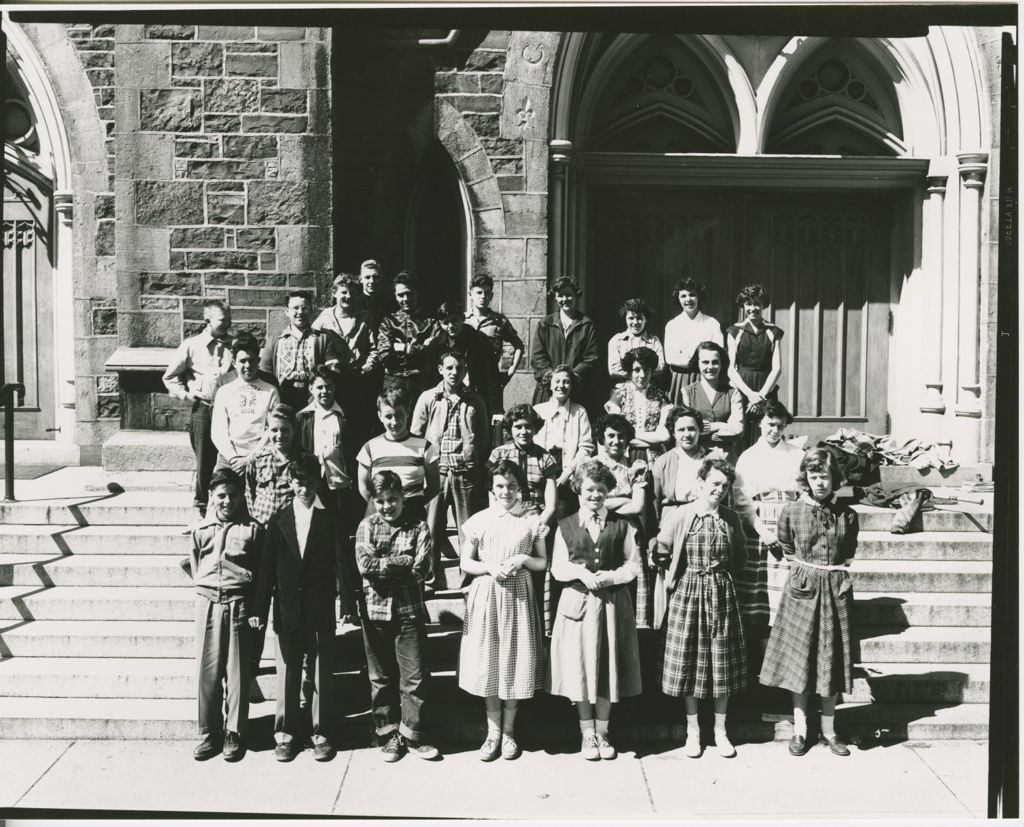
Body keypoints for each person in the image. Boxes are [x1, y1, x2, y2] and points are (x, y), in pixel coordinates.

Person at [760, 448, 859, 758]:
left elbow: (849, 550)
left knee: (831, 660)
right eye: (814, 476)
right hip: (802, 588)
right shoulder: (792, 511)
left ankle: (829, 730)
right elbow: (787, 545)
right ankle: (801, 729)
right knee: (800, 659)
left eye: (825, 477)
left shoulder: (848, 514)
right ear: (805, 478)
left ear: (835, 480)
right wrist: (806, 571)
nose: (820, 482)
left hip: (835, 588)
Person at [548, 460, 642, 761]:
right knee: (580, 669)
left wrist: (612, 577)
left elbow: (633, 565)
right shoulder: (565, 525)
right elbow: (558, 568)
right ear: (578, 490)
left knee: (606, 668)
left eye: (601, 490)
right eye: (589, 489)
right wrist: (580, 574)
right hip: (578, 605)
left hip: (611, 605)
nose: (595, 495)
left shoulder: (622, 525)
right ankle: (586, 732)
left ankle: (603, 731)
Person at [654, 457, 749, 758]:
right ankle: (693, 731)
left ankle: (720, 731)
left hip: (722, 594)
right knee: (690, 664)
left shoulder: (731, 518)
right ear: (700, 484)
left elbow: (742, 558)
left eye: (724, 485)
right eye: (714, 484)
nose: (719, 490)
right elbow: (660, 549)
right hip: (688, 592)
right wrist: (668, 576)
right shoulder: (682, 515)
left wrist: (722, 580)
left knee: (721, 664)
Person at [251, 455, 338, 763]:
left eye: (311, 482)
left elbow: (341, 562)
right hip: (287, 608)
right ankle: (286, 733)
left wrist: (349, 603)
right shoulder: (279, 519)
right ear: (290, 483)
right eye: (299, 483)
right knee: (287, 671)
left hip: (319, 607)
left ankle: (320, 732)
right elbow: (266, 570)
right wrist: (258, 610)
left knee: (319, 673)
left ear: (319, 482)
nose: (305, 489)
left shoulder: (330, 517)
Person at [458, 461, 547, 761]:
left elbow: (542, 562)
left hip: (519, 596)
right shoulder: (479, 520)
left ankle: (509, 732)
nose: (505, 491)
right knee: (490, 661)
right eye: (499, 486)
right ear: (491, 489)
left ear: (519, 487)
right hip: (487, 595)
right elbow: (465, 564)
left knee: (514, 659)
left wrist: (523, 557)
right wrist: (487, 567)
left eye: (511, 485)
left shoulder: (532, 521)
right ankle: (492, 732)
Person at [354, 469, 441, 762]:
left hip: (408, 611)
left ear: (402, 497)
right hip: (375, 610)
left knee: (413, 676)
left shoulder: (419, 527)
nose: (387, 506)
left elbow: (421, 569)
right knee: (380, 676)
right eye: (380, 500)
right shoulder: (366, 526)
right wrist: (402, 560)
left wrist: (388, 562)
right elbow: (365, 565)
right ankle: (388, 733)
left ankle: (412, 735)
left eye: (392, 499)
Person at [189, 468, 262, 762]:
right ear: (211, 497)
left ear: (242, 495)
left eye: (233, 495)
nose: (227, 501)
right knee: (207, 673)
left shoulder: (253, 530)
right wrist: (206, 590)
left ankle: (235, 732)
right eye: (221, 496)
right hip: (207, 602)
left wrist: (253, 607)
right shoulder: (200, 529)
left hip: (239, 604)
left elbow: (259, 572)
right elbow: (196, 564)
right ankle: (209, 732)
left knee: (237, 672)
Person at [411, 349, 490, 591]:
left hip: (465, 472)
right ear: (440, 370)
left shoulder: (475, 400)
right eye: (449, 368)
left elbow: (485, 439)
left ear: (465, 370)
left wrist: (474, 462)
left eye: (459, 368)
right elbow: (415, 436)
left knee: (468, 531)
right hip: (437, 472)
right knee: (431, 530)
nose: (454, 372)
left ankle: (468, 583)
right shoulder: (428, 398)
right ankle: (430, 581)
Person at [730, 400, 804, 647]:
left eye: (780, 426)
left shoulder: (797, 454)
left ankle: (786, 643)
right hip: (758, 524)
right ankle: (757, 648)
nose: (775, 430)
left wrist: (794, 526)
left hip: (789, 519)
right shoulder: (748, 457)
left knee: (784, 584)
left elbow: (804, 492)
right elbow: (741, 500)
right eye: (770, 424)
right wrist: (762, 530)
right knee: (758, 586)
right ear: (760, 423)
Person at [297, 366, 362, 633]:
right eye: (319, 387)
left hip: (339, 489)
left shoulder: (344, 417)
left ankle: (349, 608)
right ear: (311, 389)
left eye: (329, 387)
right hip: (314, 488)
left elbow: (353, 454)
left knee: (341, 548)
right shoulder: (303, 417)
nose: (324, 392)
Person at [163, 299, 235, 516]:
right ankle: (202, 508)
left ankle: (231, 504)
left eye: (229, 319)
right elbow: (170, 376)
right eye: (223, 320)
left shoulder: (234, 344)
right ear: (207, 321)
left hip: (231, 412)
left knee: (231, 456)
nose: (228, 324)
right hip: (204, 409)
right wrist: (186, 394)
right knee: (205, 461)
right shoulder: (192, 346)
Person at [649, 407, 717, 629]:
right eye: (681, 429)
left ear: (699, 431)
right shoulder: (663, 462)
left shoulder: (711, 459)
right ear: (673, 432)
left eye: (692, 429)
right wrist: (655, 539)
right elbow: (654, 503)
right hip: (672, 523)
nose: (687, 434)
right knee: (672, 580)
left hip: (703, 522)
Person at [593, 413, 652, 628]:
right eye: (611, 435)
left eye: (621, 436)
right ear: (601, 437)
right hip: (600, 532)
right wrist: (623, 499)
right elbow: (588, 505)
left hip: (629, 532)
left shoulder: (636, 466)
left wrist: (605, 502)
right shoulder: (594, 466)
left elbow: (637, 506)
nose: (616, 441)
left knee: (630, 584)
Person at [312, 273, 380, 451]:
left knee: (358, 428)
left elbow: (375, 347)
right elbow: (314, 345)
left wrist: (370, 363)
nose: (348, 296)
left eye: (352, 293)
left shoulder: (364, 318)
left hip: (359, 379)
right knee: (335, 426)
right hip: (334, 381)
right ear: (334, 293)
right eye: (343, 292)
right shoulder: (324, 319)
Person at [356, 388, 439, 523]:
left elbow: (434, 487)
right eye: (388, 416)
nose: (394, 422)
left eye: (399, 415)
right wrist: (383, 506)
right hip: (380, 516)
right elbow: (363, 487)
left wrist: (412, 504)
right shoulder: (370, 447)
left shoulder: (424, 446)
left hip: (412, 515)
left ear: (408, 412)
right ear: (380, 416)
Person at [260, 291, 347, 411]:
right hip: (283, 396)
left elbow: (332, 371)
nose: (300, 312)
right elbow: (265, 372)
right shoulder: (275, 340)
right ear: (287, 311)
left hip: (312, 398)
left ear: (311, 311)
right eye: (295, 308)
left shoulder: (322, 339)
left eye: (305, 308)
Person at [726, 283, 784, 453]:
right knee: (742, 432)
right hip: (742, 389)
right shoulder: (734, 331)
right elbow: (730, 368)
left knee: (766, 430)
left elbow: (777, 368)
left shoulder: (773, 331)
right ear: (743, 305)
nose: (753, 308)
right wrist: (750, 394)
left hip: (766, 389)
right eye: (748, 303)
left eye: (757, 303)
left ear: (764, 305)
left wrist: (761, 396)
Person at [211, 336, 280, 474]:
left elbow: (272, 429)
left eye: (252, 360)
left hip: (261, 457)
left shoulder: (270, 390)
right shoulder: (224, 391)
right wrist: (233, 458)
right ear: (234, 362)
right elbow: (218, 431)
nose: (248, 366)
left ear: (258, 361)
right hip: (229, 459)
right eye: (243, 361)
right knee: (220, 492)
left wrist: (250, 458)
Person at [530, 277, 600, 410]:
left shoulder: (586, 324)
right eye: (560, 296)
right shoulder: (545, 324)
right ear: (555, 298)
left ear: (576, 296)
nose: (564, 299)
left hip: (577, 389)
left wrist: (571, 376)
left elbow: (591, 357)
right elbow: (538, 357)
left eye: (568, 295)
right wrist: (554, 377)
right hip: (549, 389)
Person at [487, 404, 558, 526]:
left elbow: (551, 506)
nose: (523, 432)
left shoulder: (546, 458)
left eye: (528, 426)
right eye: (518, 427)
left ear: (535, 428)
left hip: (538, 519)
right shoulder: (498, 454)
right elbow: (492, 494)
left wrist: (537, 529)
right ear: (510, 429)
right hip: (506, 519)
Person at [465, 274, 525, 415]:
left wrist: (510, 372)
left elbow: (519, 346)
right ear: (470, 295)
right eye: (479, 292)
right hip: (466, 379)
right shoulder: (463, 320)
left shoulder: (499, 321)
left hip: (490, 380)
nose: (483, 296)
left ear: (491, 296)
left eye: (486, 293)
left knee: (491, 419)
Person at [376, 270, 441, 398]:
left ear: (417, 293)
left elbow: (431, 353)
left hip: (422, 383)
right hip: (394, 382)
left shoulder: (431, 322)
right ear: (395, 296)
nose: (405, 299)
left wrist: (402, 348)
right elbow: (384, 355)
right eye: (401, 295)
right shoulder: (388, 321)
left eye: (409, 294)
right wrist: (418, 349)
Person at [244, 404, 309, 527]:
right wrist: (255, 519)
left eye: (285, 430)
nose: (279, 436)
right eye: (274, 430)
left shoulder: (304, 459)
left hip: (291, 528)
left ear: (294, 430)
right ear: (267, 430)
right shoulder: (257, 458)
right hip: (262, 526)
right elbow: (249, 492)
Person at [678, 341, 744, 461]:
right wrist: (725, 428)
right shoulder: (687, 392)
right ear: (697, 364)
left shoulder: (733, 393)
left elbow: (738, 430)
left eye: (715, 362)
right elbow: (687, 430)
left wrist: (713, 426)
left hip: (727, 457)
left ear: (721, 364)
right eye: (705, 362)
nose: (710, 367)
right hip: (696, 457)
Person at [605, 346, 672, 464]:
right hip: (626, 456)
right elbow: (618, 436)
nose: (642, 375)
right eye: (637, 370)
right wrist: (653, 439)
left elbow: (665, 437)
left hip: (656, 458)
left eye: (646, 370)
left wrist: (631, 435)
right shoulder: (619, 396)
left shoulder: (661, 397)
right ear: (630, 372)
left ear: (652, 371)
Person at [425, 300, 497, 409]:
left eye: (454, 320)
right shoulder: (435, 346)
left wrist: (496, 410)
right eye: (445, 322)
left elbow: (491, 377)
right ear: (440, 323)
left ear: (462, 318)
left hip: (476, 399)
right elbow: (429, 378)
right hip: (444, 400)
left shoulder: (479, 342)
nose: (450, 326)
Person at [664, 277, 723, 404]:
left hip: (705, 377)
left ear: (699, 297)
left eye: (692, 295)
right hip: (680, 378)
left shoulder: (712, 323)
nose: (688, 299)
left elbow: (719, 351)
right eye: (683, 296)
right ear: (678, 299)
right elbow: (670, 357)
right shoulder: (673, 325)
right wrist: (696, 360)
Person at [607, 298, 665, 384]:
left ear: (646, 319)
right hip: (623, 388)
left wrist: (633, 371)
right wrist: (645, 372)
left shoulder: (654, 341)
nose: (635, 322)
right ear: (625, 318)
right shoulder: (617, 340)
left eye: (639, 318)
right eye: (631, 318)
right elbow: (613, 370)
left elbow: (660, 368)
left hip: (648, 388)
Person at [358, 258, 395, 337]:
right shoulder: (354, 304)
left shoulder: (391, 304)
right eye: (367, 277)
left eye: (376, 277)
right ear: (360, 279)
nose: (372, 281)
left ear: (381, 278)